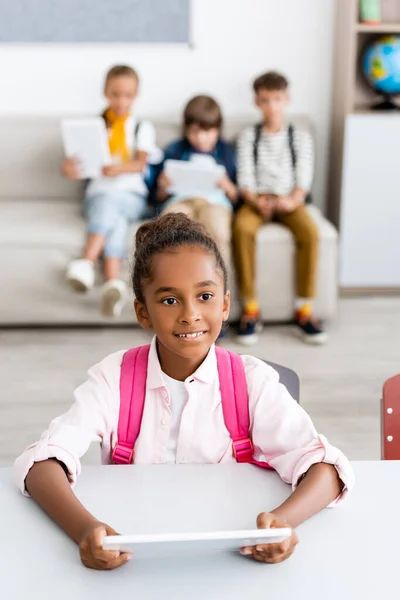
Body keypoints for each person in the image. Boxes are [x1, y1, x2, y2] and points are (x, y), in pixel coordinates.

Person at [14, 213, 353, 571]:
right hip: (135, 560)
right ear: (142, 313)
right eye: (170, 301)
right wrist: (84, 530)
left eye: (204, 296)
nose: (190, 315)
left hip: (230, 563)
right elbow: (41, 464)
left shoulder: (252, 382)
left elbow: (326, 469)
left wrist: (283, 523)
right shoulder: (113, 378)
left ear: (224, 305)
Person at [233, 71, 325, 345]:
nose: (271, 106)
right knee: (242, 229)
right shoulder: (249, 136)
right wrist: (255, 200)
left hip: (289, 199)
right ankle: (251, 309)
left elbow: (304, 175)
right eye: (265, 100)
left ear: (286, 100)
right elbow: (245, 177)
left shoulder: (299, 135)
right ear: (256, 103)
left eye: (276, 99)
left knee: (309, 232)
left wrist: (293, 199)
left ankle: (304, 310)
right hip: (258, 199)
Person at [62, 65, 160, 318]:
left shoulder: (142, 128)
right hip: (98, 195)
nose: (121, 101)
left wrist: (119, 169)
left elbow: (140, 163)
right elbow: (77, 167)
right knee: (113, 215)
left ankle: (86, 261)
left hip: (132, 196)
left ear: (135, 96)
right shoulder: (94, 127)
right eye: (115, 94)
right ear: (105, 93)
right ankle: (113, 282)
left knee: (114, 202)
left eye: (127, 95)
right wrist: (70, 169)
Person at [156, 95, 238, 266]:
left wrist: (228, 187)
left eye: (207, 132)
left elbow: (237, 196)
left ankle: (218, 288)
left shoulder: (226, 152)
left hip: (214, 202)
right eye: (194, 132)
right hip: (181, 200)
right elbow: (158, 196)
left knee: (218, 230)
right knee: (170, 228)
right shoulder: (176, 149)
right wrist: (162, 187)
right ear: (186, 130)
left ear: (217, 130)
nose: (201, 138)